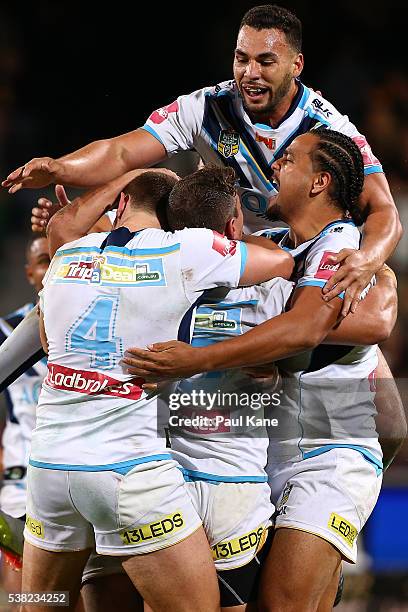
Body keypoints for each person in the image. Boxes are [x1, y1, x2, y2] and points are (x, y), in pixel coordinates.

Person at [121, 128, 395, 610]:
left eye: (288, 160)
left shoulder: (346, 248)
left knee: (281, 604)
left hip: (327, 451)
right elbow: (202, 234)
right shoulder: (273, 246)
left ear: (319, 182)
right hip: (264, 449)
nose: (273, 166)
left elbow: (310, 327)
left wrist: (204, 356)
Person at [2, 4, 401, 315]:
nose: (250, 73)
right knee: (156, 194)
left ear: (296, 65)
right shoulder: (205, 108)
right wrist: (62, 167)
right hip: (230, 252)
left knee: (356, 334)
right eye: (242, 58)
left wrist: (368, 259)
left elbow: (384, 211)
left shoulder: (329, 129)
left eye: (265, 61)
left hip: (305, 256)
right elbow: (123, 150)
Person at [23, 166, 293, 612]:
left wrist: (129, 173)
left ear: (121, 204)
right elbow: (280, 260)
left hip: (49, 466)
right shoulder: (185, 249)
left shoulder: (67, 255)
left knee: (39, 602)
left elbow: (61, 229)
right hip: (126, 471)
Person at [0, 236, 49, 601]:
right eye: (44, 261)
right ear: (29, 272)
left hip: (74, 467)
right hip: (22, 476)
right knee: (24, 590)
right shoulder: (5, 331)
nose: (50, 269)